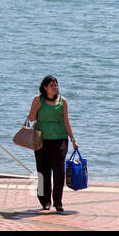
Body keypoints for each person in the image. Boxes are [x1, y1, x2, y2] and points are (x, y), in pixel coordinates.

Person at [28, 75, 78, 213]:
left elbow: (66, 122)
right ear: (45, 87)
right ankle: (45, 201)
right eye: (51, 85)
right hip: (41, 140)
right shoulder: (38, 99)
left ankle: (58, 201)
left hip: (60, 139)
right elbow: (31, 118)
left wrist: (73, 139)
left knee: (59, 171)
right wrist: (35, 107)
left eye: (56, 85)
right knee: (43, 171)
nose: (55, 87)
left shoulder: (63, 101)